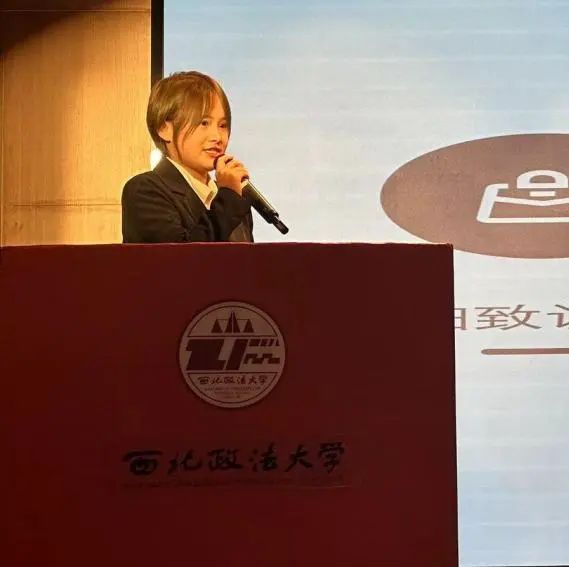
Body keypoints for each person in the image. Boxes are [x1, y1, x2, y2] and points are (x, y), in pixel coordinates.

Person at [121, 71, 254, 243]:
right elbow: (183, 255)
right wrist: (228, 199)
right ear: (164, 129)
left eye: (222, 125)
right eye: (204, 123)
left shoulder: (232, 197)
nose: (217, 137)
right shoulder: (144, 191)